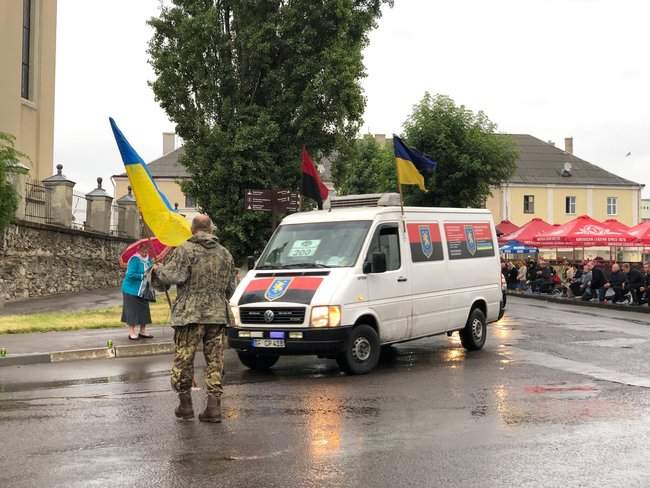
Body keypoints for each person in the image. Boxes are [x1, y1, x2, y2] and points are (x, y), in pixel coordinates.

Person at [153, 214, 238, 423]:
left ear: (192, 229)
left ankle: (185, 405)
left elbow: (168, 279)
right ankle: (213, 408)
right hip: (218, 315)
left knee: (184, 359)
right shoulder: (225, 254)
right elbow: (231, 288)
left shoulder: (184, 250)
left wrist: (157, 271)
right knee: (215, 362)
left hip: (190, 315)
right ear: (210, 229)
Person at [121, 242, 154, 340]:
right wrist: (143, 276)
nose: (145, 251)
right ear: (138, 249)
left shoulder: (149, 259)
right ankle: (131, 332)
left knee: (144, 310)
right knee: (132, 311)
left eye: (146, 249)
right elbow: (130, 274)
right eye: (142, 249)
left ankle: (142, 331)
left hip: (143, 290)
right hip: (131, 290)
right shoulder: (134, 259)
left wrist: (156, 268)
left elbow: (151, 271)